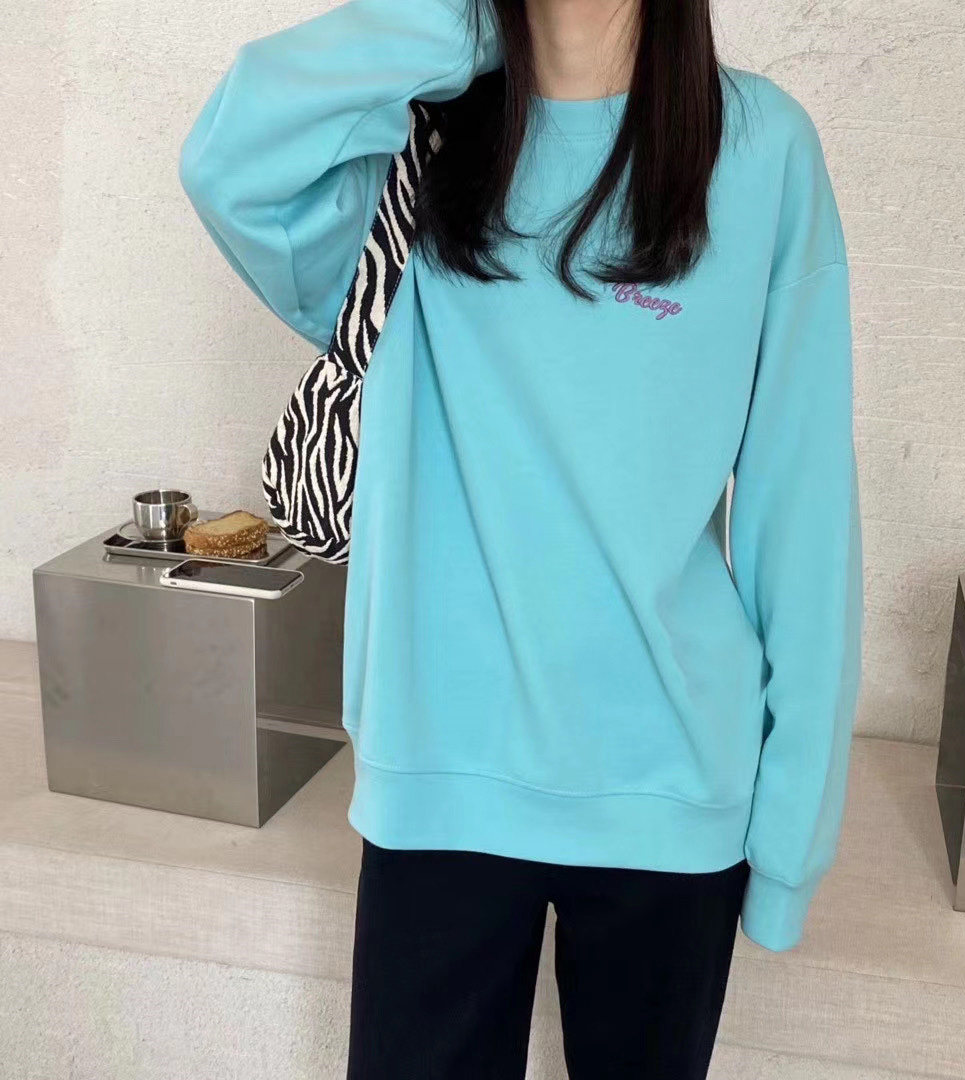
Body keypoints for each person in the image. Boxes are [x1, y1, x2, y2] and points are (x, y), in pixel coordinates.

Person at [179, 0, 863, 1076]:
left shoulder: (762, 149)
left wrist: (790, 846)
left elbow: (805, 511)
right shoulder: (416, 151)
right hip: (438, 783)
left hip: (672, 787)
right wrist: (466, 28)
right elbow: (231, 158)